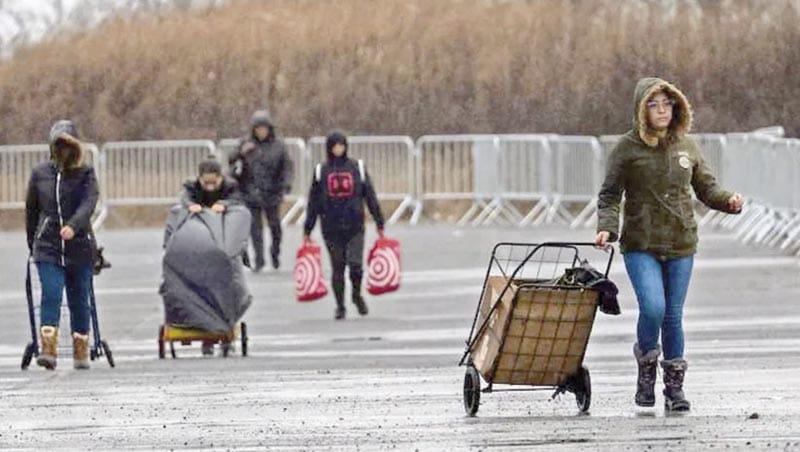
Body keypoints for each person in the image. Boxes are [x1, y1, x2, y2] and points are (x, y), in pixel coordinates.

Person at [595, 77, 744, 411]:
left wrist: (729, 201)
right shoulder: (627, 148)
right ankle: (646, 369)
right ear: (641, 109)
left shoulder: (686, 146)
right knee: (653, 308)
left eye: (667, 103)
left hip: (680, 242)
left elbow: (707, 188)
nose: (662, 110)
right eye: (654, 104)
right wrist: (607, 228)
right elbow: (609, 194)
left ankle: (674, 389)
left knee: (673, 315)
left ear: (675, 106)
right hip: (640, 243)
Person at [25, 120, 100, 370]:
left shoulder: (86, 174)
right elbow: (31, 211)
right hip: (48, 246)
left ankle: (81, 349)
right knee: (52, 294)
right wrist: (32, 245)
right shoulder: (40, 174)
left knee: (80, 298)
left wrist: (74, 225)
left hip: (79, 245)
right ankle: (48, 349)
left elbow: (89, 204)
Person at [304, 131, 385, 320]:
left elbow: (370, 196)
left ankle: (356, 295)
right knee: (338, 267)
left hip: (355, 226)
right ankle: (340, 305)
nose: (338, 149)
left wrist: (379, 220)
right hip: (331, 228)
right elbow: (313, 202)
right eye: (335, 146)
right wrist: (308, 228)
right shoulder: (321, 171)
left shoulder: (358, 168)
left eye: (341, 145)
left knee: (355, 265)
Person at [179, 158, 242, 356]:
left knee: (227, 293)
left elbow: (239, 200)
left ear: (220, 178)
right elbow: (185, 198)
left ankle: (226, 338)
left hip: (225, 248)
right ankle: (207, 338)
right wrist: (192, 206)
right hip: (202, 248)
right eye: (205, 183)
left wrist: (224, 205)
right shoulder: (192, 189)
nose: (209, 187)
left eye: (213, 183)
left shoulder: (231, 189)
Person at [228, 110, 294, 272]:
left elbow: (287, 167)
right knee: (255, 229)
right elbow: (231, 160)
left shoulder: (278, 146)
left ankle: (275, 252)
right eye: (258, 129)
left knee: (275, 227)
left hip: (272, 192)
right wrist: (241, 152)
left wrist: (286, 184)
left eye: (264, 128)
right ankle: (259, 260)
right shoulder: (246, 143)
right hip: (250, 192)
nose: (261, 132)